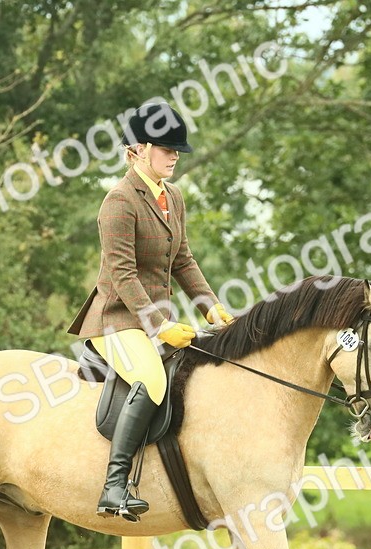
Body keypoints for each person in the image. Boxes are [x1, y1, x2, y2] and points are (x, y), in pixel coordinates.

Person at [67, 102, 234, 521]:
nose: (174, 155)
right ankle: (114, 486)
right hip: (117, 319)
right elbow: (122, 275)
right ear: (135, 152)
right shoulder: (118, 202)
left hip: (153, 320)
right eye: (164, 148)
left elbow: (183, 261)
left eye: (176, 149)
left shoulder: (172, 197)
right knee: (151, 378)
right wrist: (160, 327)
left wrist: (210, 306)